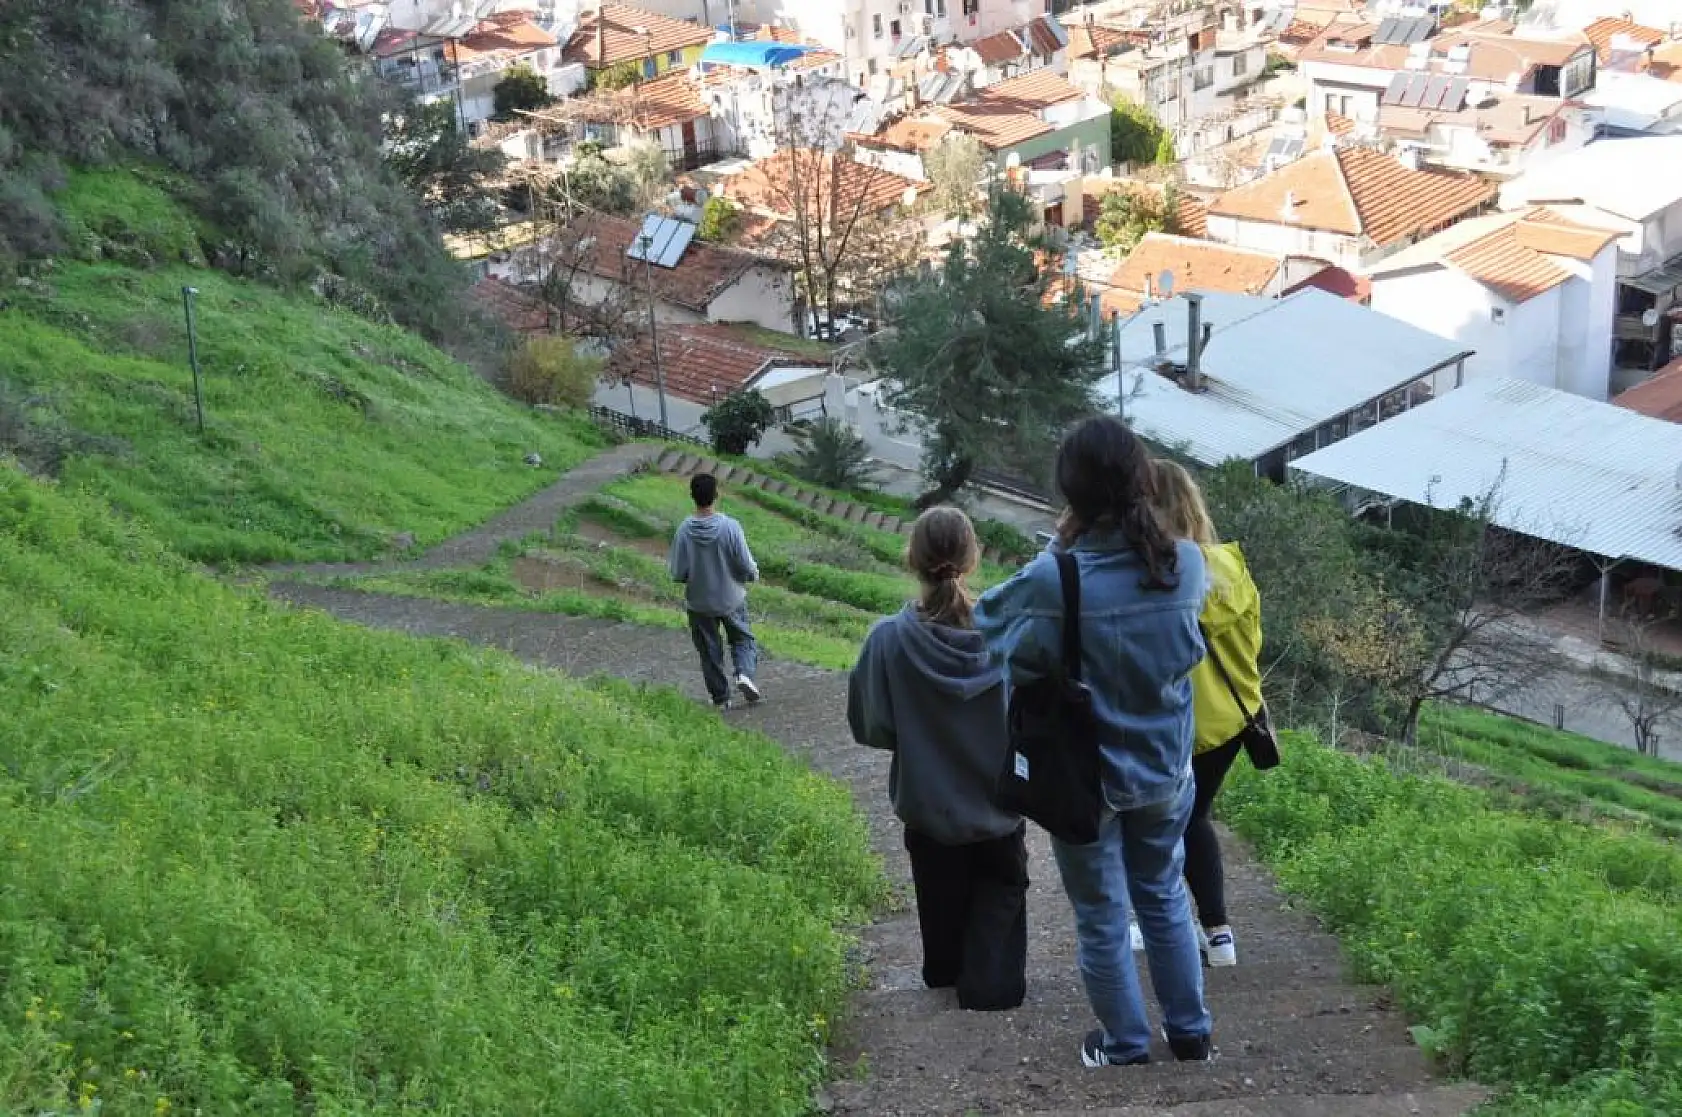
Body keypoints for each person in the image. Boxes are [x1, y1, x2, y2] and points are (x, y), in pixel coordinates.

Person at [975, 416, 1213, 1068]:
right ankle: (1190, 1030)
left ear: (1071, 495)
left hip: (1086, 777)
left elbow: (989, 623)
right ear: (1143, 481)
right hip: (1165, 769)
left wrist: (1058, 546)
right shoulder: (1186, 566)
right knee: (1163, 894)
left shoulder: (1058, 577)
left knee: (1103, 913)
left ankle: (1125, 1043)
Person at [847, 507, 1028, 1011]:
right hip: (998, 816)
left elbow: (870, 727)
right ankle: (986, 986)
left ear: (913, 559)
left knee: (943, 965)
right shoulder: (1008, 636)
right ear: (972, 561)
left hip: (929, 817)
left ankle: (952, 983)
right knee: (997, 966)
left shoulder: (887, 640)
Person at [1144, 459, 1264, 969]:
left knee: (1160, 821)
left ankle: (1163, 922)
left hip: (1181, 722)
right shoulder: (1232, 568)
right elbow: (1252, 641)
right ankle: (1218, 932)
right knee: (1196, 818)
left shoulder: (1165, 577)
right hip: (1234, 720)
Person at [668, 472, 762, 710]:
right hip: (731, 598)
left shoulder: (683, 531)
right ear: (716, 495)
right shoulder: (730, 527)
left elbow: (678, 572)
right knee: (743, 640)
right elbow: (744, 563)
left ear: (692, 497)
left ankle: (721, 698)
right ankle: (744, 675)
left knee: (709, 652)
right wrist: (752, 575)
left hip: (699, 603)